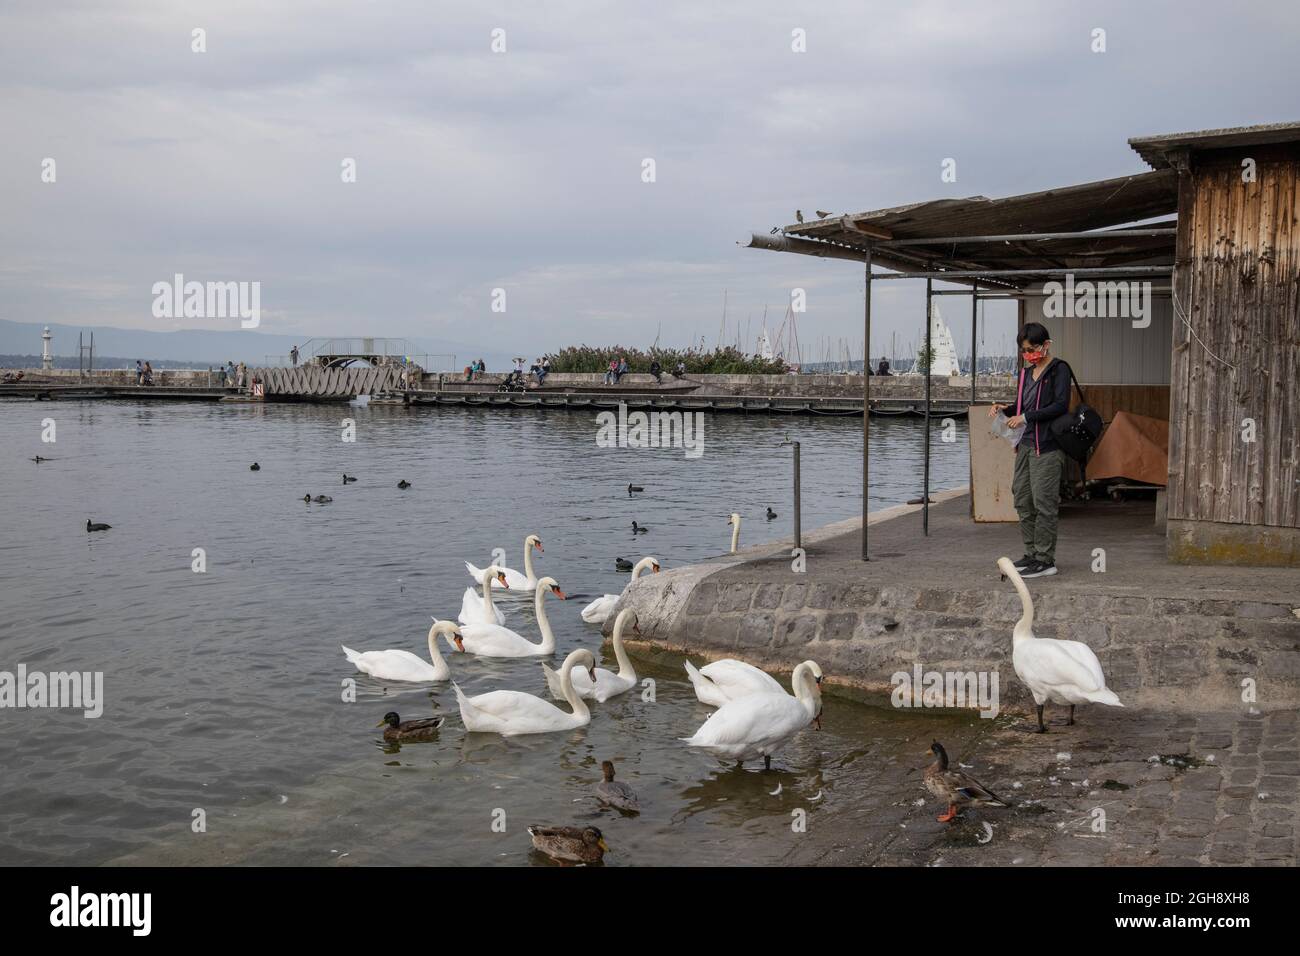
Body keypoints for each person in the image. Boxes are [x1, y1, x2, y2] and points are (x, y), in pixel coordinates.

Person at [989, 322, 1072, 579]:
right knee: (1023, 499)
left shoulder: (1059, 370)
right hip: (1025, 446)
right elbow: (1022, 405)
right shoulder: (1026, 373)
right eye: (1024, 350)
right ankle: (1032, 553)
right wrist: (1006, 409)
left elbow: (1060, 405)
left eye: (1032, 348)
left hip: (1047, 447)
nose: (1028, 354)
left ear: (1046, 344)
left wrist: (1026, 417)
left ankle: (1046, 560)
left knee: (1044, 502)